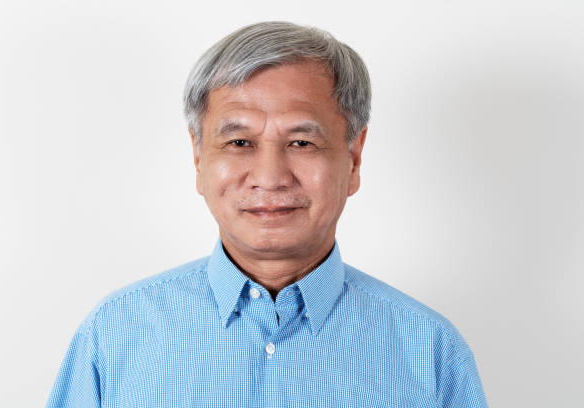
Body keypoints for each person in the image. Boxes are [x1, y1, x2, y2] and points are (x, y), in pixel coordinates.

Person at [46, 21, 488, 407]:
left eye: (301, 142)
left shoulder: (430, 352)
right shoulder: (114, 336)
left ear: (353, 159)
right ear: (198, 159)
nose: (270, 177)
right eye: (239, 142)